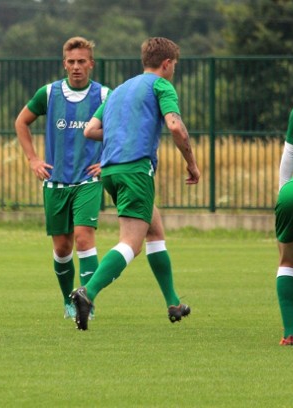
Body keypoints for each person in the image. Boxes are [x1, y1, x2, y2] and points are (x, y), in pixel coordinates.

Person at [72, 37, 200, 330]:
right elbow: (175, 126)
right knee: (131, 242)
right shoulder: (161, 85)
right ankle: (87, 292)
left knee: (154, 233)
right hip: (136, 170)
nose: (173, 72)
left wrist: (122, 133)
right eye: (174, 67)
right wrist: (191, 163)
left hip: (111, 172)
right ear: (166, 64)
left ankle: (173, 303)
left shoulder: (117, 91)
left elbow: (90, 130)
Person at [15, 36, 109, 321]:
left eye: (82, 61)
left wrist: (107, 161)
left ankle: (87, 300)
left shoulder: (105, 96)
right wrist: (33, 159)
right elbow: (21, 122)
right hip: (55, 183)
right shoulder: (49, 93)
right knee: (62, 247)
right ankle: (69, 301)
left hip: (88, 181)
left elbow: (121, 130)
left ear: (91, 64)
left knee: (83, 239)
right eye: (71, 62)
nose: (77, 66)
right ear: (64, 64)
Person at [275, 106, 293, 345]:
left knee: (288, 261)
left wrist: (282, 198)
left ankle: (290, 332)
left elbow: (288, 157)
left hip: (290, 193)